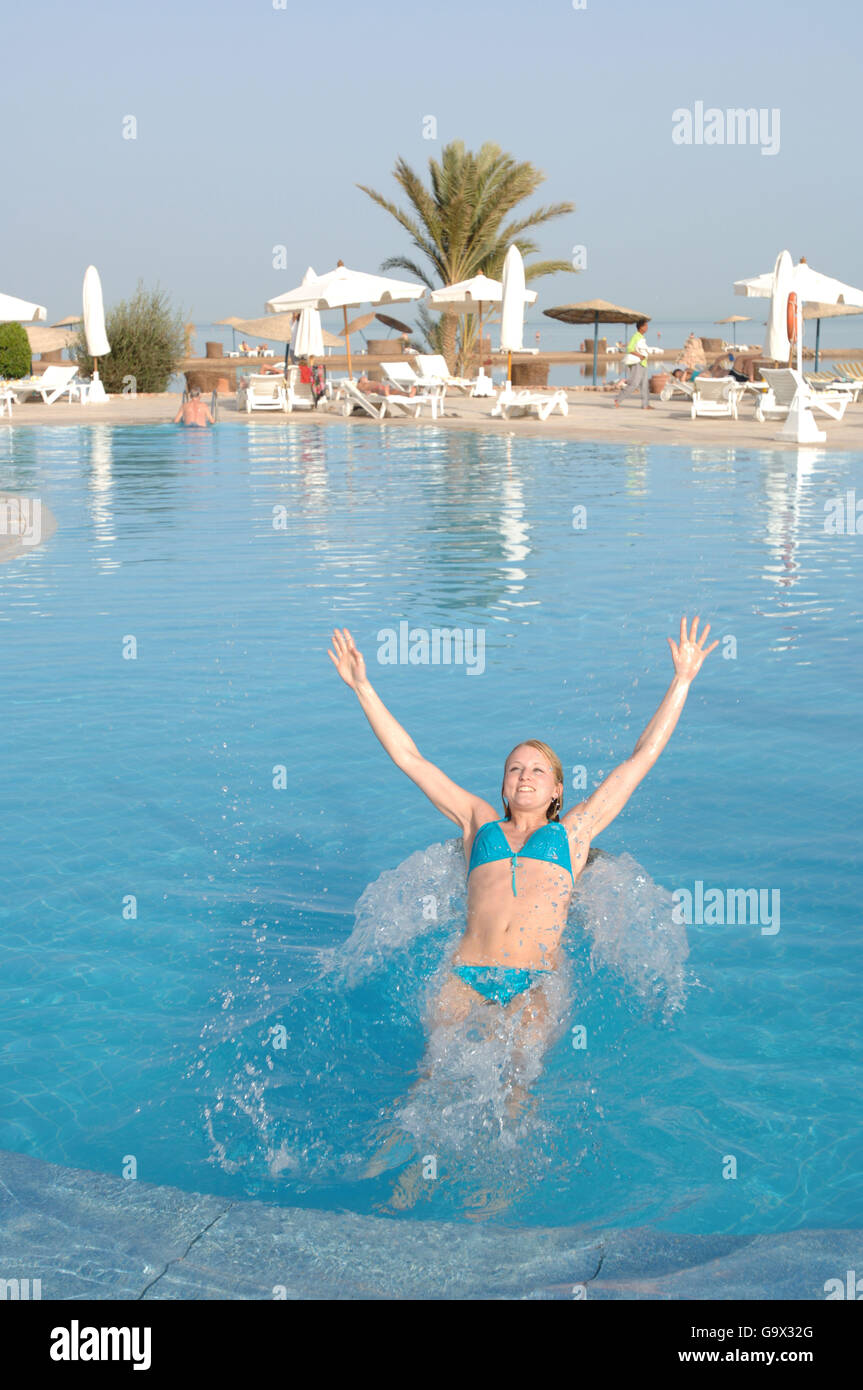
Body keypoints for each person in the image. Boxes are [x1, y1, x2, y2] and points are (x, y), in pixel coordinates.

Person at [328, 616, 717, 1036]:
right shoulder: (478, 822)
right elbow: (412, 760)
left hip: (537, 981)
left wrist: (682, 680)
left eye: (537, 770)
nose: (525, 776)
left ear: (557, 791)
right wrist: (362, 688)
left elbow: (640, 759)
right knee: (430, 1078)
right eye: (515, 769)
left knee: (518, 1095)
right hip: (465, 975)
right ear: (504, 787)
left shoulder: (573, 833)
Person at [614, 318, 652, 409]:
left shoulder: (641, 337)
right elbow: (629, 349)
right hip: (637, 363)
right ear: (641, 327)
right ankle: (618, 399)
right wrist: (639, 356)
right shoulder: (636, 336)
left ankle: (645, 405)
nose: (647, 327)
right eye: (645, 325)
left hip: (643, 363)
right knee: (634, 384)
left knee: (645, 385)